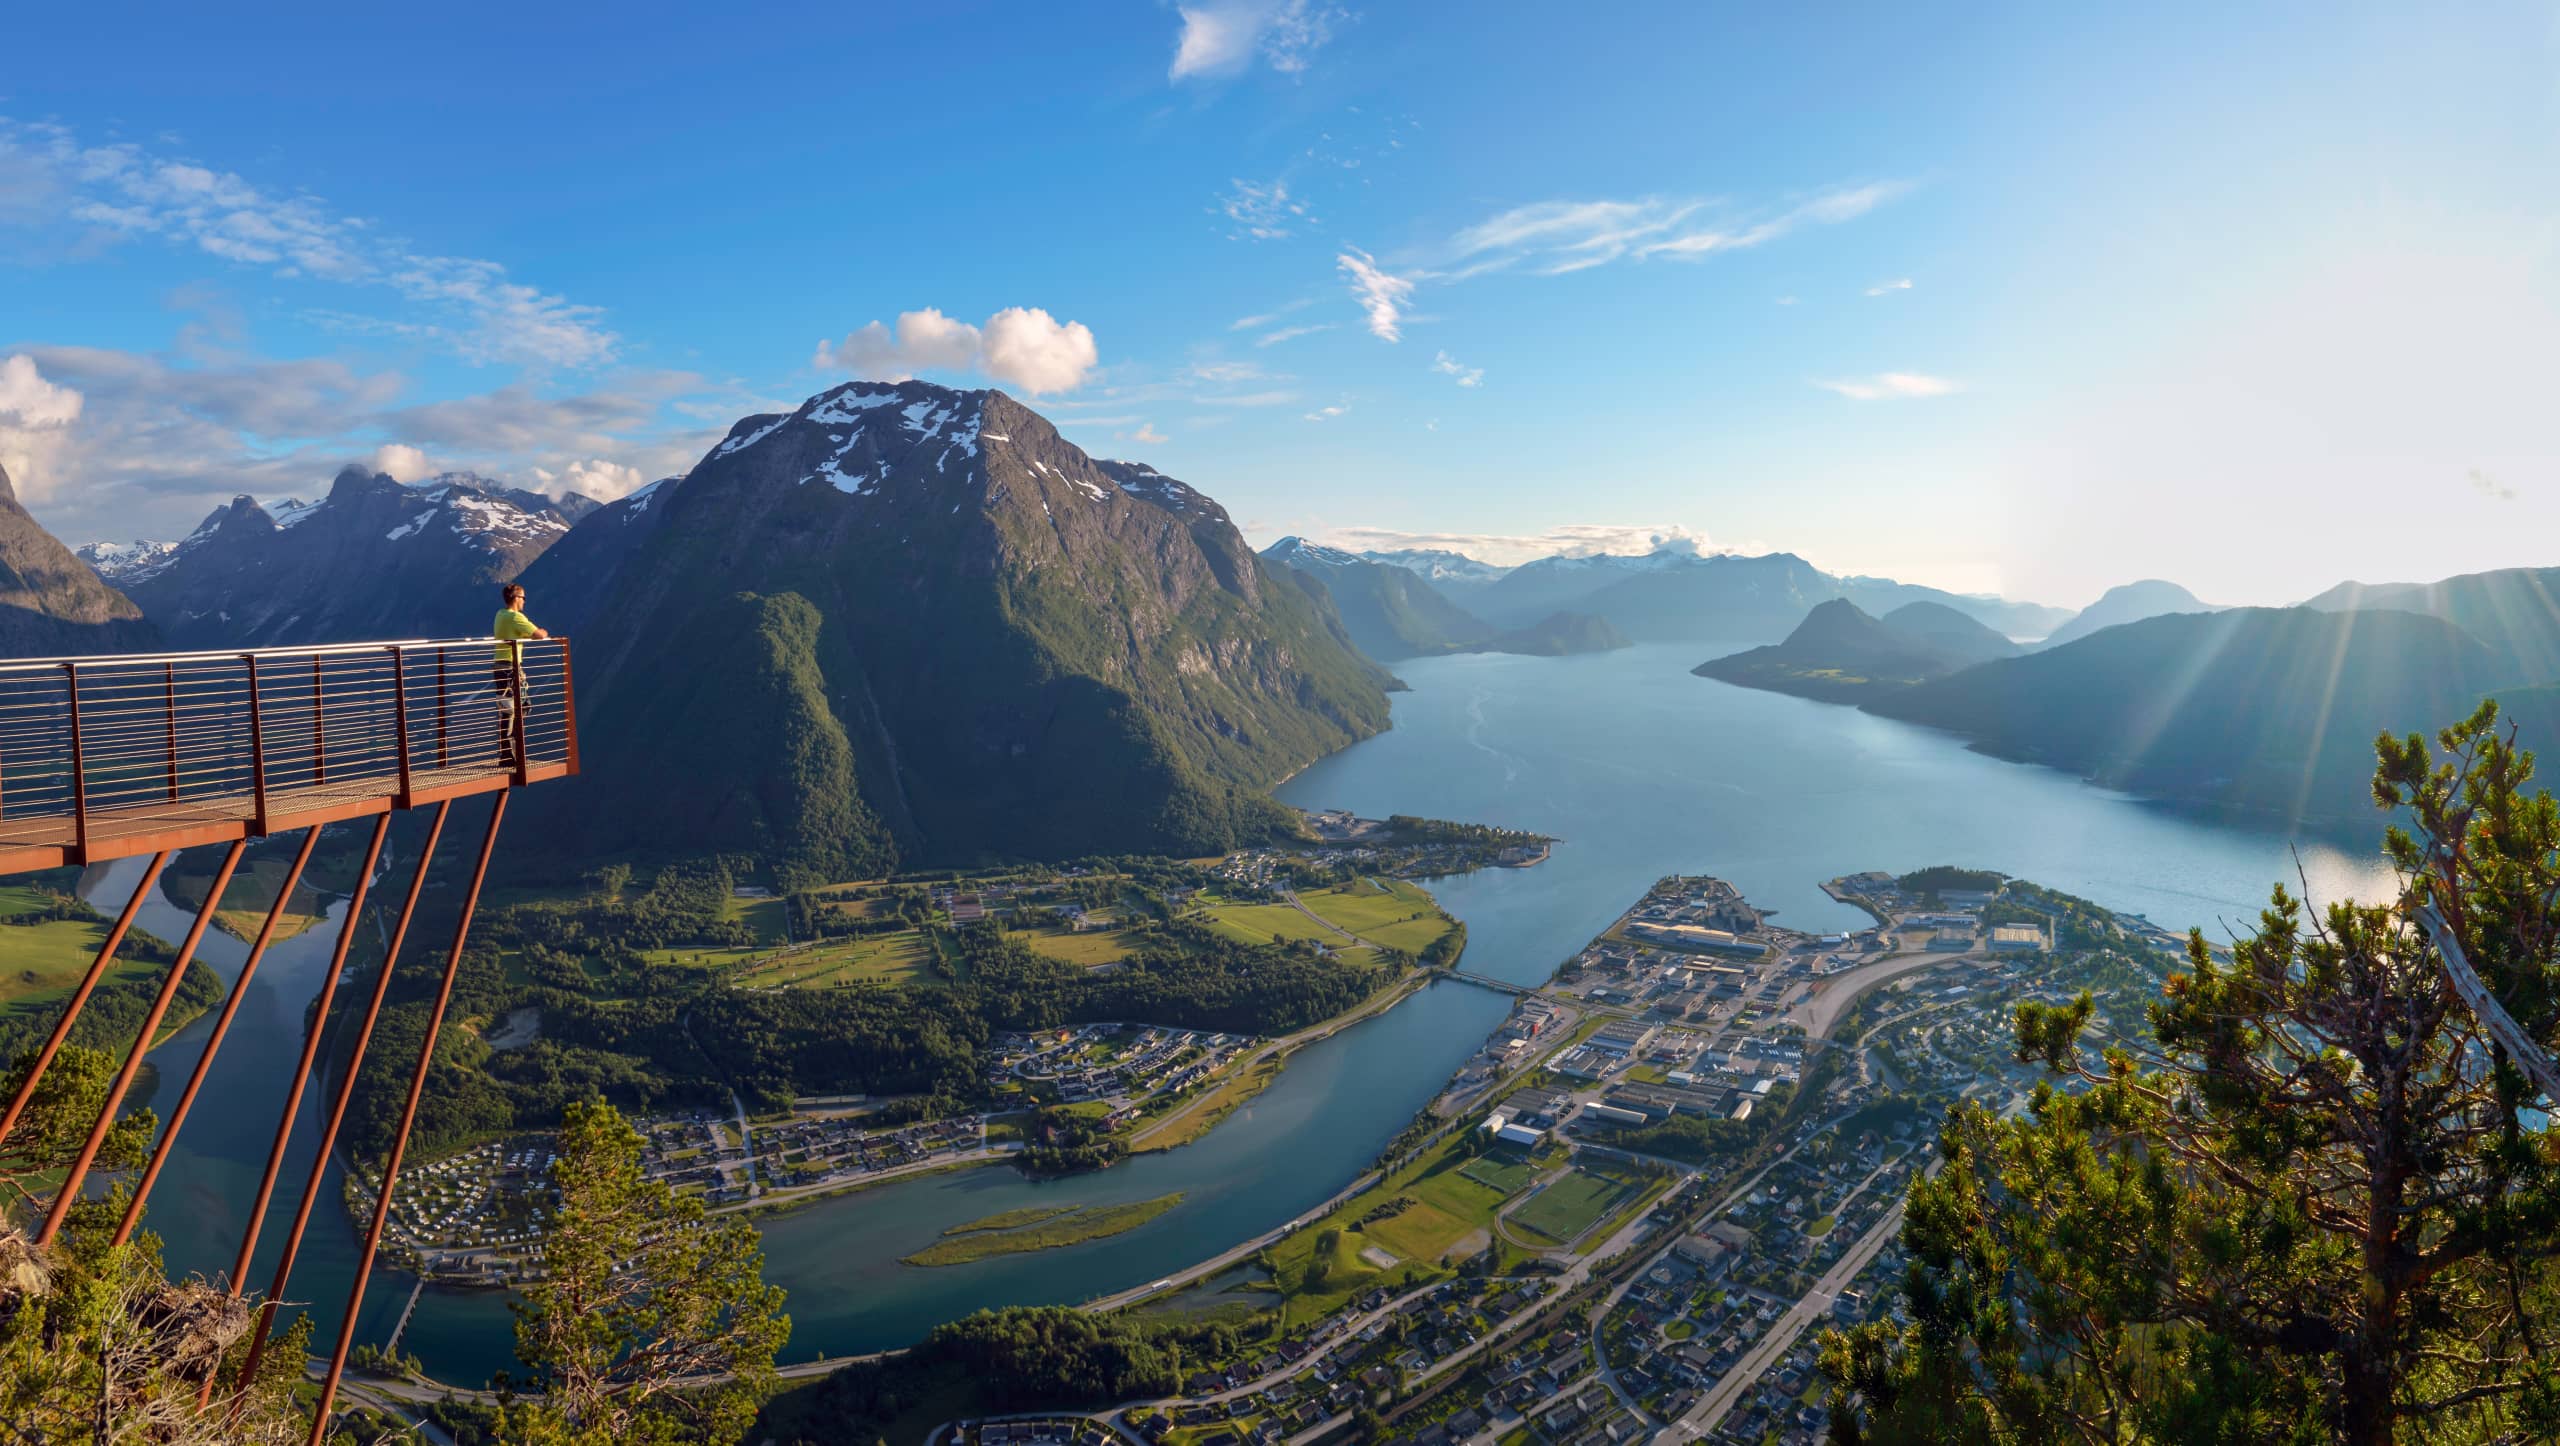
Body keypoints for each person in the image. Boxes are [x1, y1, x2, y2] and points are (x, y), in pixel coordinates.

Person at [492, 583, 549, 765]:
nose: (524, 601)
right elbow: (540, 634)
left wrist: (523, 636)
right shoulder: (516, 617)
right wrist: (540, 633)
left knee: (509, 709)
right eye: (523, 597)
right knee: (517, 708)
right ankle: (510, 754)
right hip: (511, 667)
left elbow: (516, 633)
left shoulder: (500, 614)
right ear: (516, 598)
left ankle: (509, 752)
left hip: (500, 665)